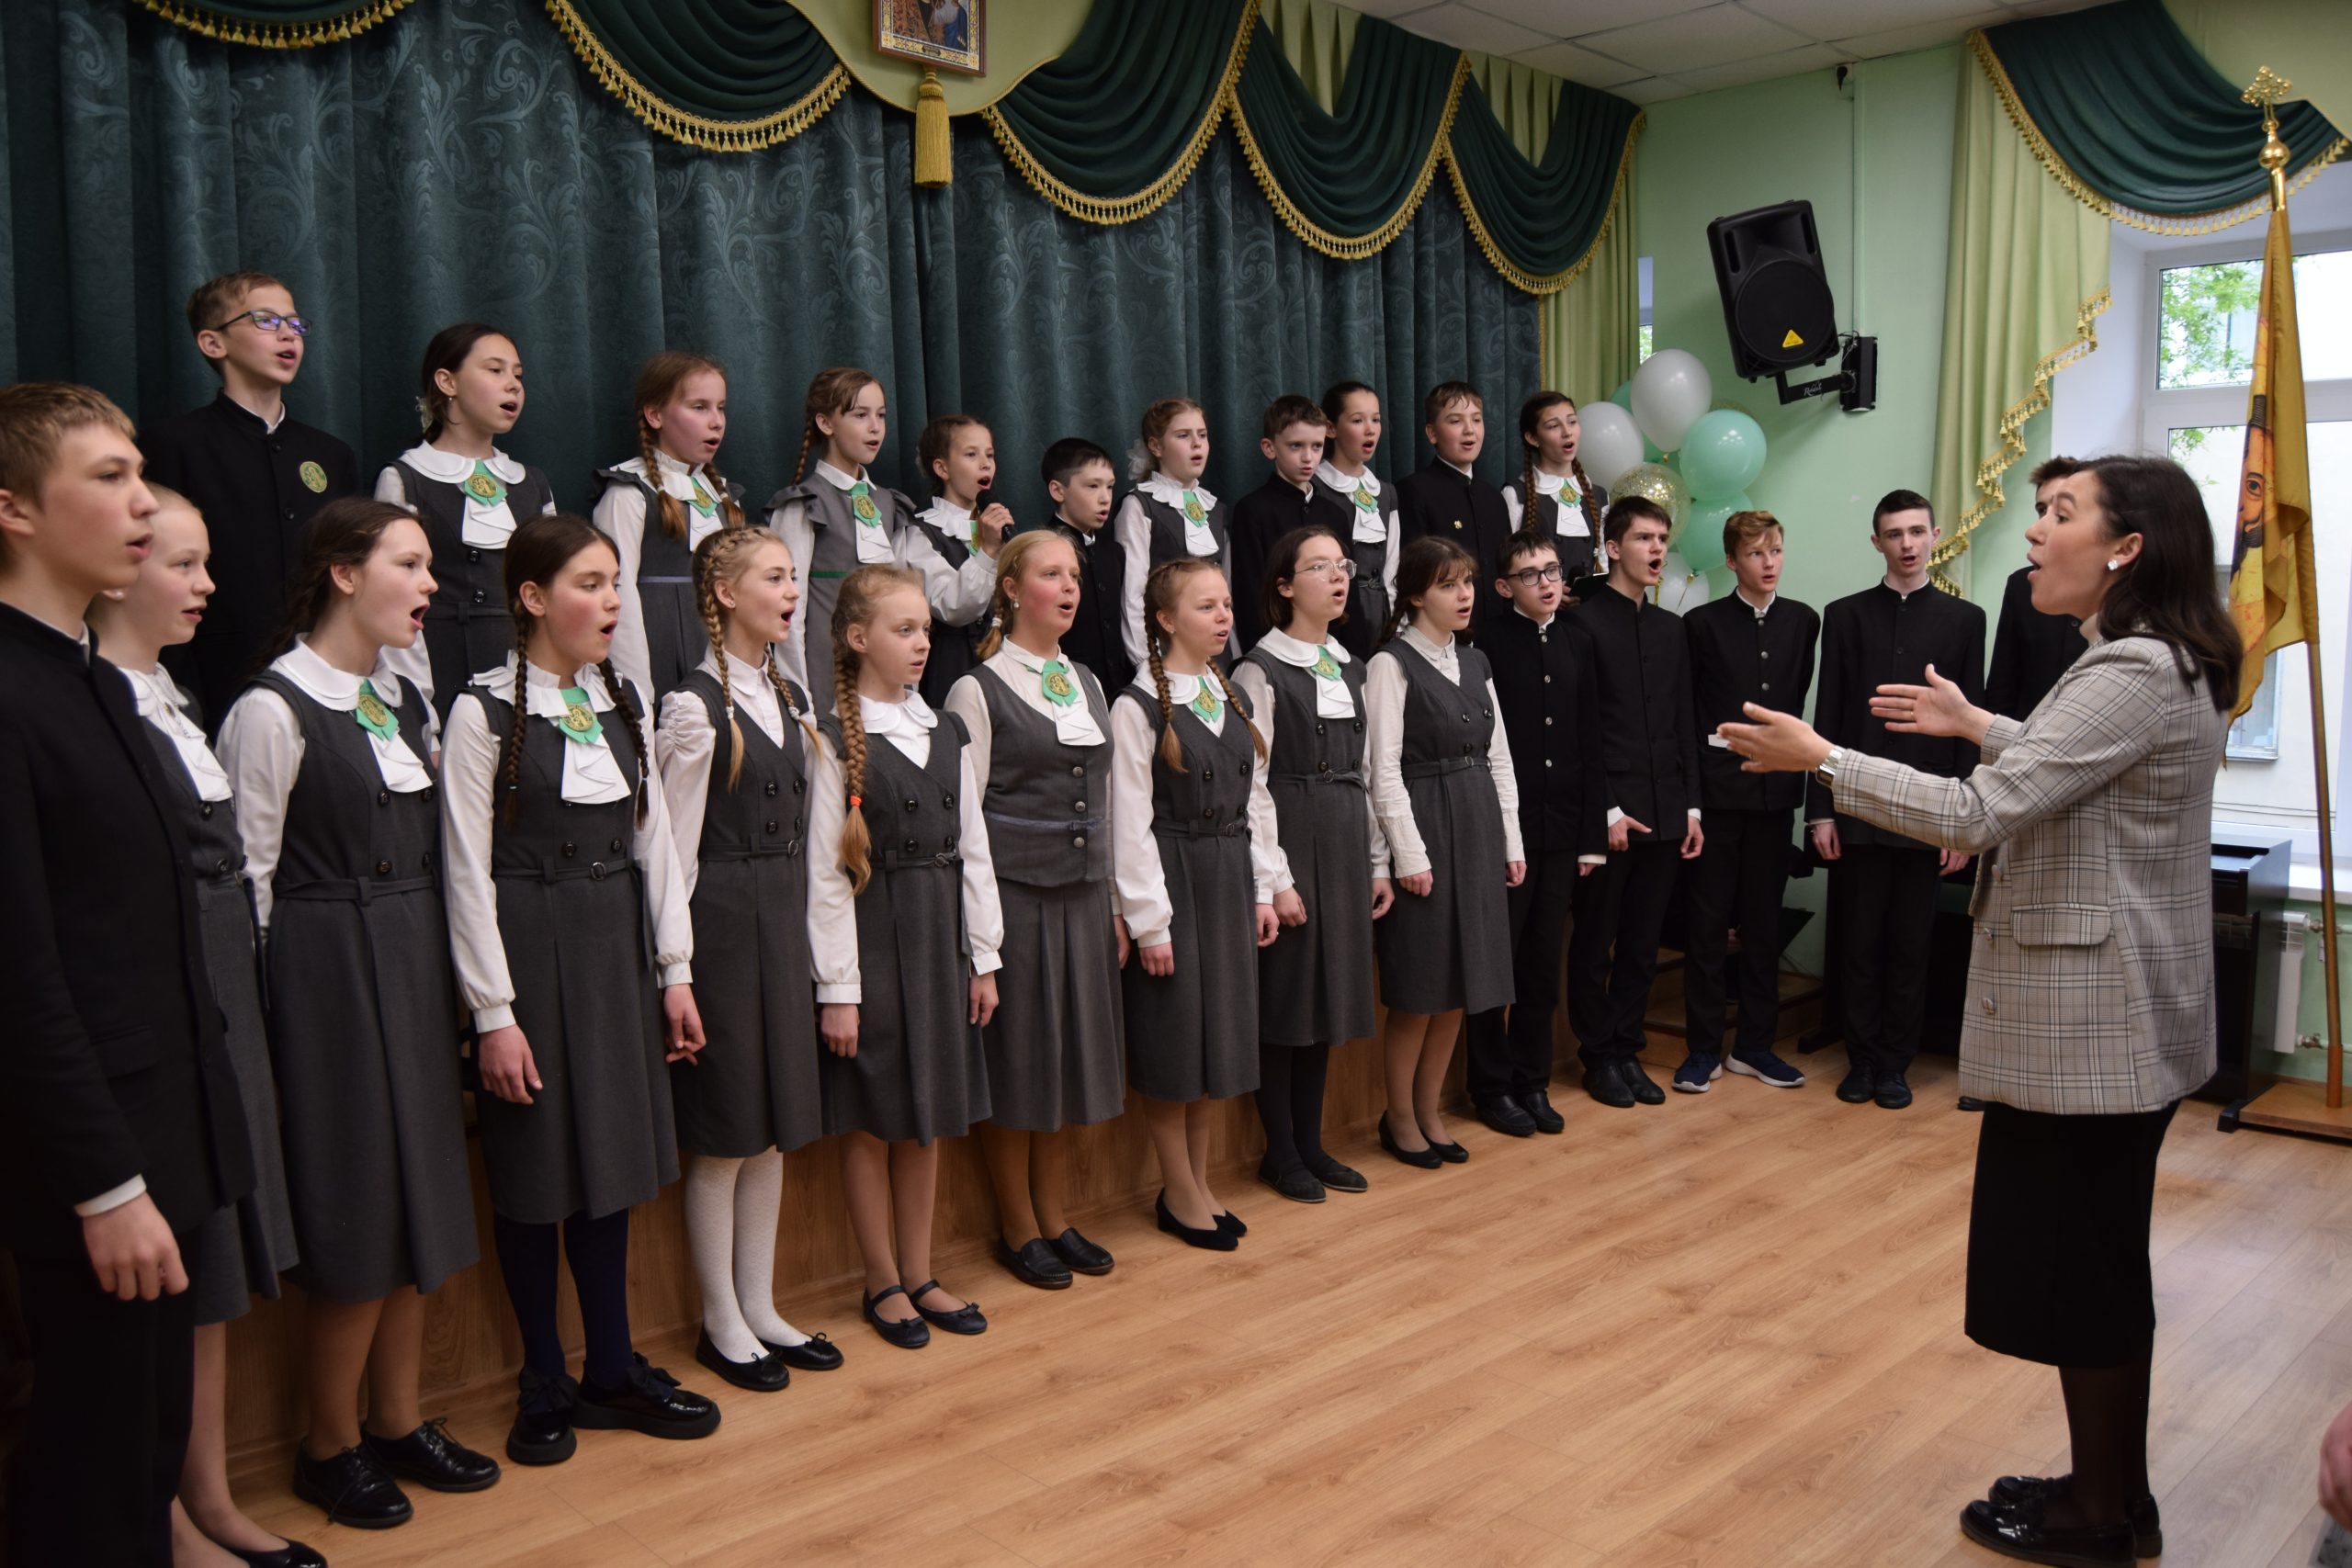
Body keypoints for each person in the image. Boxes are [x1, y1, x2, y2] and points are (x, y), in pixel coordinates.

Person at [1721, 455, 2236, 1568]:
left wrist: (1825, 761)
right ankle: (2113, 1490)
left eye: (2058, 515)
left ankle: (2099, 1514)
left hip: (2092, 1031)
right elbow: (2065, 766)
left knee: (2083, 1276)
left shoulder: (2130, 669)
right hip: (2124, 1025)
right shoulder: (2162, 660)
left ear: (2126, 548)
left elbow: (1986, 811)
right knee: (2097, 1267)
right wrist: (1979, 717)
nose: (2035, 534)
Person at [0, 382, 254, 1566]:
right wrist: (106, 1186)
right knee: (89, 1477)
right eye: (107, 477)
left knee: (145, 1451)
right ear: (13, 508)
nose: (140, 500)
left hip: (167, 1133)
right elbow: (24, 973)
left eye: (138, 471)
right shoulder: (11, 692)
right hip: (93, 1168)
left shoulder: (99, 680)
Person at [220, 495, 493, 1528]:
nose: (432, 586)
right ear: (343, 573)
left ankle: (396, 1417)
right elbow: (246, 887)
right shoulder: (271, 710)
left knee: (417, 1192)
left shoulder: (398, 700)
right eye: (410, 566)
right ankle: (325, 1442)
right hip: (325, 975)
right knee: (353, 1210)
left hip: (407, 963)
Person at [441, 513, 719, 1465]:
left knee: (605, 1170)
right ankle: (539, 1380)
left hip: (612, 953)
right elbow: (466, 874)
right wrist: (493, 1016)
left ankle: (610, 1366)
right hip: (530, 954)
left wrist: (674, 971)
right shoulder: (479, 712)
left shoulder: (623, 700)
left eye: (616, 585)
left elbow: (654, 846)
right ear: (531, 598)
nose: (611, 603)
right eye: (590, 586)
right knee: (534, 1178)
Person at [89, 489, 323, 1566]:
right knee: (165, 1274)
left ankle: (212, 1495)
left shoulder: (169, 694)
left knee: (216, 1265)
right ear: (119, 571)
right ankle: (164, 1516)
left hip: (224, 995)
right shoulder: (92, 698)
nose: (205, 586)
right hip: (157, 1016)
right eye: (181, 565)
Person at [656, 527, 844, 1393]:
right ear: (725, 593)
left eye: (794, 577)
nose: (791, 590)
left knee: (769, 1130)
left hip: (782, 929)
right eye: (774, 577)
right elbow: (673, 851)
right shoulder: (695, 705)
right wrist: (677, 968)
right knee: (725, 1134)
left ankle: (761, 1304)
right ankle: (719, 1319)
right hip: (722, 929)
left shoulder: (792, 698)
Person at [808, 564, 1001, 1346]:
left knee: (927, 1120)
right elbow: (825, 877)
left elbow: (974, 847)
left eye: (925, 628)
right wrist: (838, 988)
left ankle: (921, 1270)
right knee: (871, 1119)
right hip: (872, 937)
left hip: (938, 936)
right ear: (859, 639)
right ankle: (880, 1278)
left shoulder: (943, 729)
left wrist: (983, 954)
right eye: (904, 629)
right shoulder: (831, 738)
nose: (922, 642)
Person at [945, 532, 1126, 1287]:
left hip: (1082, 898)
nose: (1069, 585)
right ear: (1013, 588)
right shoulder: (975, 688)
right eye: (1051, 573)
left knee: (1066, 1063)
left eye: (1075, 574)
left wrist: (1114, 900)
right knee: (1020, 1063)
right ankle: (1017, 1225)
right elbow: (966, 821)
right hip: (1016, 899)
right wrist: (983, 938)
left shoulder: (1085, 679)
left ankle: (1056, 1214)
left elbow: (1110, 801)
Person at [1112, 558, 1283, 1246]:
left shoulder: (1227, 691)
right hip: (1175, 879)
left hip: (1227, 875)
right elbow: (1128, 821)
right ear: (1164, 619)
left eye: (1226, 604)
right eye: (1206, 606)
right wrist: (1151, 923)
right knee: (1176, 1041)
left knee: (1218, 1043)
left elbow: (1255, 799)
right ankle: (1177, 1189)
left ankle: (1202, 1179)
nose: (1223, 616)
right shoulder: (1137, 705)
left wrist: (1266, 885)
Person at [1807, 490, 1984, 1111]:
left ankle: (1894, 1063)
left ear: (1935, 535)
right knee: (1856, 941)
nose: (1907, 543)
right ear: (1876, 541)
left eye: (1916, 531)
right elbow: (1825, 717)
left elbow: (1970, 730)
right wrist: (1820, 808)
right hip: (1854, 804)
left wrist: (1961, 825)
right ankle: (1859, 1059)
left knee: (1911, 945)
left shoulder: (1966, 621)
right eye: (1893, 533)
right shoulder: (1846, 614)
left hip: (1933, 811)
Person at [1232, 527, 1390, 1201]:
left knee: (1327, 998)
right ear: (1284, 585)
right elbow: (1252, 783)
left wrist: (1379, 860)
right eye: (1318, 566)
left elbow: (1367, 768)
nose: (1337, 576)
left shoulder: (1349, 663)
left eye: (1342, 565)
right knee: (1289, 999)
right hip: (1292, 834)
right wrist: (1277, 878)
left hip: (1346, 838)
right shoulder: (1258, 670)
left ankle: (1313, 1141)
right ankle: (1281, 1149)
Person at [1365, 536, 1525, 1167]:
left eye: (1469, 582)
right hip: (1427, 823)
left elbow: (1500, 757)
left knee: (1461, 985)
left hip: (1479, 821)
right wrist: (1408, 855)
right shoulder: (1391, 663)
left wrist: (1511, 840)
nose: (1464, 595)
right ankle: (1399, 1116)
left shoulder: (1477, 661)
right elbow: (1381, 770)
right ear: (1414, 594)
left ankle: (1431, 1109)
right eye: (1448, 585)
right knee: (1420, 988)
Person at [141, 271, 358, 727]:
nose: (287, 334)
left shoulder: (330, 454)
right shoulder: (175, 445)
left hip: (325, 673)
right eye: (264, 320)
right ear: (212, 343)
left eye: (295, 324)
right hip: (217, 674)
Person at [1462, 530, 1605, 1137]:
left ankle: (1532, 1080)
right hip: (1505, 833)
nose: (1547, 582)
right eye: (1530, 574)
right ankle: (1490, 1086)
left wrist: (1593, 833)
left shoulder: (1578, 639)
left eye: (1552, 570)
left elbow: (1593, 739)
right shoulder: (1487, 644)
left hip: (1563, 828)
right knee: (1499, 965)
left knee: (1544, 963)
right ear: (1504, 586)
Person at [1564, 497, 1703, 1109]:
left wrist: (1693, 807)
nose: (1656, 551)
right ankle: (1597, 1054)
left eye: (1662, 539)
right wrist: (1608, 809)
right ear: (1612, 547)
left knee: (1645, 943)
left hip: (1667, 807)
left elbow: (1684, 720)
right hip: (1612, 812)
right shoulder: (1584, 624)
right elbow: (1581, 728)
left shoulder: (1673, 627)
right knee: (1597, 941)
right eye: (1644, 538)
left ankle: (1626, 1047)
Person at [1676, 509, 1817, 1093]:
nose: (1770, 564)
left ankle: (1755, 1046)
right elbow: (1690, 714)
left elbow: (1798, 710)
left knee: (1764, 925)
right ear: (1733, 561)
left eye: (1777, 551)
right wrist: (1693, 801)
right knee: (1708, 927)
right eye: (1757, 554)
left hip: (1775, 795)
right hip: (1717, 794)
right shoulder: (1702, 624)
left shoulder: (1804, 621)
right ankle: (1703, 1049)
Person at [765, 368, 994, 718]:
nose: (875, 427)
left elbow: (922, 598)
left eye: (881, 415)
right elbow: (789, 612)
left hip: (889, 687)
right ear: (826, 423)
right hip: (826, 680)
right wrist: (799, 700)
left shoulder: (892, 507)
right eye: (860, 415)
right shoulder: (805, 504)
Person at [377, 322, 558, 713]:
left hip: (525, 671)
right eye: (495, 370)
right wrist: (419, 714)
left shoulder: (532, 484)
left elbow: (555, 590)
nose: (513, 384)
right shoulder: (406, 478)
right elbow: (391, 601)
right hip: (439, 668)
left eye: (518, 374)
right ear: (447, 382)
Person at [598, 351, 749, 703]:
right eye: (699, 407)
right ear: (655, 415)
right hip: (656, 652)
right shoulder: (628, 492)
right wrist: (636, 690)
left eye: (721, 408)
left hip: (720, 656)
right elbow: (619, 594)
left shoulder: (726, 497)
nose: (716, 421)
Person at [909, 414, 1017, 707]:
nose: (985, 464)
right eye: (971, 455)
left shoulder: (998, 530)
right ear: (942, 468)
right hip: (949, 666)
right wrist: (989, 550)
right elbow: (953, 606)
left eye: (990, 455)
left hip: (1002, 664)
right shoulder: (920, 534)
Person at [1114, 397, 1227, 672]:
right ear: (1156, 446)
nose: (1197, 444)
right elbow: (1133, 593)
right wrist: (1146, 661)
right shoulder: (1139, 505)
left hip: (1214, 656)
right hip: (1165, 651)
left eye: (1202, 435)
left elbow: (1227, 588)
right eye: (1183, 436)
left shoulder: (1216, 508)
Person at [1394, 382, 1510, 637]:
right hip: (1441, 637)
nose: (1470, 430)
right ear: (1432, 433)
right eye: (1456, 421)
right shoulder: (1413, 491)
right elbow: (1414, 572)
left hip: (1499, 634)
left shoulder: (1494, 497)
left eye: (1477, 420)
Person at [1985, 457, 2091, 723]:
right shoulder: (2022, 585)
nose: (2039, 527)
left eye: (2062, 514)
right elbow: (2003, 682)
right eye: (2041, 510)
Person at [1022, 437, 1130, 693]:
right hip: (1060, 688)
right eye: (1092, 486)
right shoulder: (1037, 550)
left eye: (1110, 486)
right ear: (1058, 491)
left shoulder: (1113, 553)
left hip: (1117, 690)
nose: (1105, 498)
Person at [1301, 380, 1399, 661]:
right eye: (1358, 420)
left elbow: (1393, 564)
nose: (1370, 429)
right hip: (1337, 614)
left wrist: (1396, 623)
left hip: (1382, 615)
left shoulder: (1386, 492)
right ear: (1331, 428)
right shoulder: (1315, 486)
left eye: (1376, 420)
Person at [1227, 394, 1329, 650]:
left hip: (1330, 647)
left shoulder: (1335, 513)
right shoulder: (1252, 510)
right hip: (1275, 648)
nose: (1308, 457)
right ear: (1269, 448)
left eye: (1317, 446)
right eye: (1296, 446)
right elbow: (1251, 594)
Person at [1501, 391, 1607, 582]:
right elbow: (1509, 565)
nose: (1567, 432)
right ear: (1533, 438)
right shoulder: (1516, 493)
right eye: (1554, 426)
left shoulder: (1598, 495)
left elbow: (1603, 563)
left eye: (1572, 422)